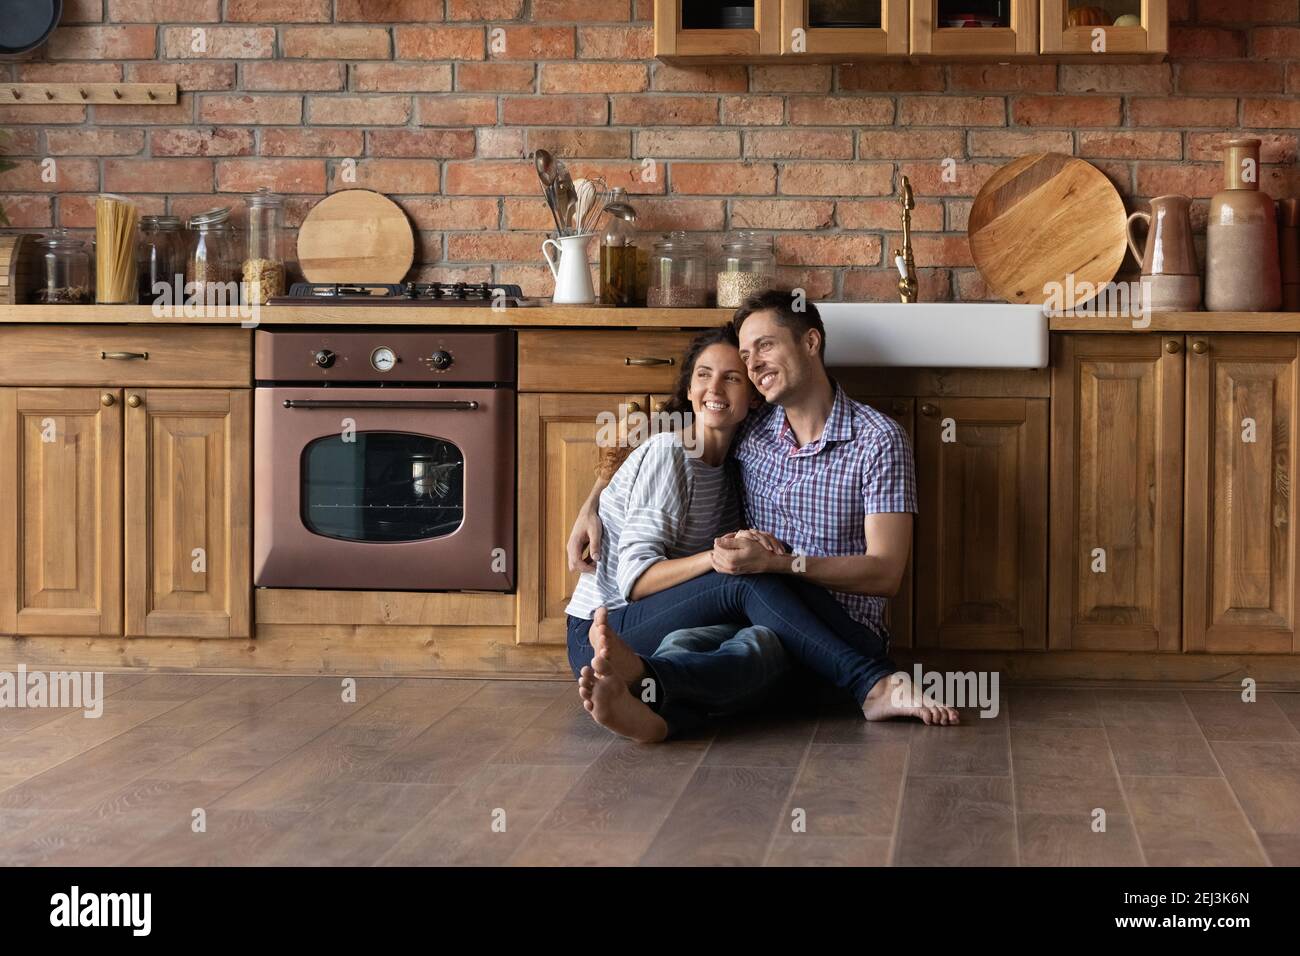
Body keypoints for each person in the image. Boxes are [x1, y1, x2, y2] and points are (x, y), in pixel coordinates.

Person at [567, 294, 959, 742]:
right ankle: (656, 708)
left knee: (746, 628)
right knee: (746, 643)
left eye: (764, 348)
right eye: (747, 355)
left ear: (811, 342)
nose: (753, 365)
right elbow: (659, 442)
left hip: (844, 631)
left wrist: (778, 564)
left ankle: (649, 690)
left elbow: (886, 574)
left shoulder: (876, 440)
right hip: (739, 619)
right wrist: (592, 501)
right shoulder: (752, 434)